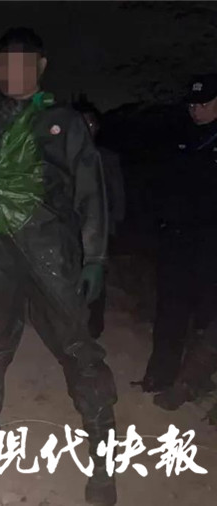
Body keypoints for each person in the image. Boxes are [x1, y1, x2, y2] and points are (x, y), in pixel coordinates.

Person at [0, 28, 117, 505]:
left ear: (40, 67)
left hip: (50, 246)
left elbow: (90, 191)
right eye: (3, 64)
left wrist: (95, 256)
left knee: (76, 343)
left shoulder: (64, 122)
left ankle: (102, 456)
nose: (11, 72)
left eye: (22, 63)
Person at [139, 74, 217, 393]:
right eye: (192, 104)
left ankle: (195, 381)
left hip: (210, 242)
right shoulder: (179, 137)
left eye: (204, 103)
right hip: (176, 239)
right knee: (170, 307)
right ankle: (160, 374)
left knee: (207, 314)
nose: (196, 110)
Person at [74, 100, 126, 339]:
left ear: (96, 126)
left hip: (99, 230)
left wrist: (112, 227)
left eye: (89, 123)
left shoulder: (107, 158)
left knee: (95, 279)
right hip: (71, 229)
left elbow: (117, 194)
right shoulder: (64, 158)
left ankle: (93, 328)